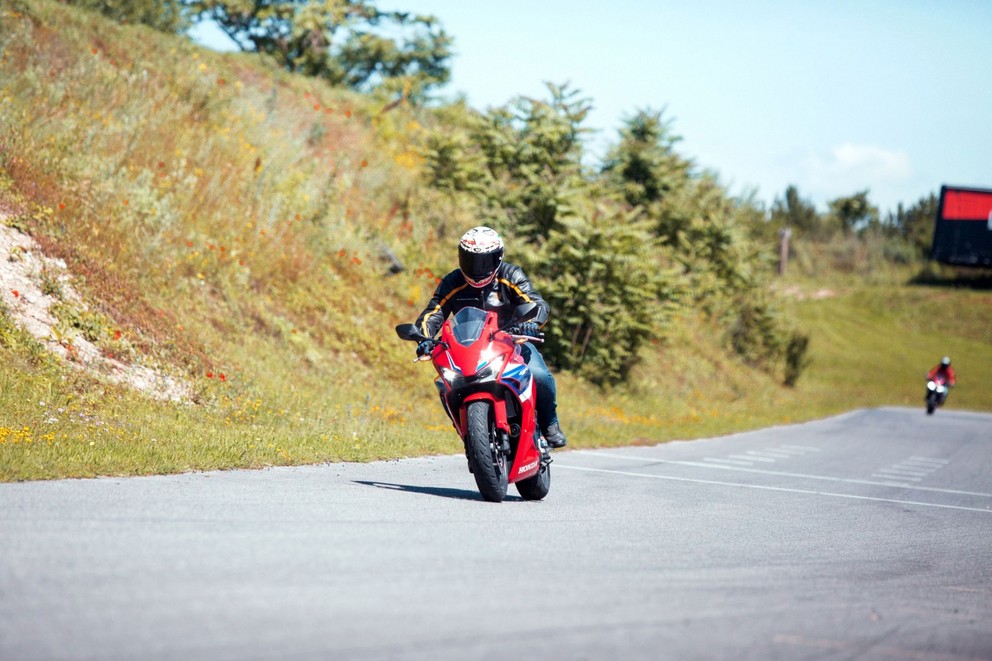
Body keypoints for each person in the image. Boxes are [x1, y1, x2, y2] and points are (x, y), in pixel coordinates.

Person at [413, 226, 567, 448]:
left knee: (539, 374)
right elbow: (433, 313)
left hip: (512, 344)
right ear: (460, 258)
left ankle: (550, 423)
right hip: (469, 349)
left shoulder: (511, 275)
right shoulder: (452, 282)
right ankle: (470, 433)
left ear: (499, 257)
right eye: (471, 261)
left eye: (485, 261)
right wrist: (424, 338)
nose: (477, 269)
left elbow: (536, 303)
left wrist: (531, 324)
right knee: (446, 383)